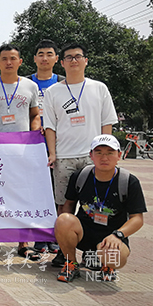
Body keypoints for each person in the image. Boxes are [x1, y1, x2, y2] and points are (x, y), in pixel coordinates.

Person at [43, 43, 118, 267]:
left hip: (91, 157)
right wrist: (53, 153)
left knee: (94, 206)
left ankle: (92, 250)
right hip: (64, 156)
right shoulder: (53, 92)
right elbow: (50, 126)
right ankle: (64, 251)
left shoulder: (99, 88)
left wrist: (105, 153)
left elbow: (107, 123)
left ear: (86, 60)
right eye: (69, 57)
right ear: (62, 62)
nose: (74, 60)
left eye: (78, 56)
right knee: (63, 205)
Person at [0, 44, 41, 260]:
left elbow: (35, 115)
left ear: (20, 61)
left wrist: (33, 138)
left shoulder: (30, 86)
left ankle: (24, 243)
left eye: (13, 58)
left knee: (22, 196)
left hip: (22, 152)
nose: (8, 62)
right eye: (4, 58)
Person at [54, 134, 147, 283]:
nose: (104, 158)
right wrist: (63, 234)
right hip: (84, 233)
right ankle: (71, 263)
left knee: (117, 258)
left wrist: (118, 235)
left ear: (119, 155)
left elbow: (137, 219)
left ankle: (108, 266)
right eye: (99, 153)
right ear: (91, 155)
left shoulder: (128, 181)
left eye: (110, 153)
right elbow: (69, 205)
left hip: (111, 237)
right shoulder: (81, 176)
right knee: (63, 220)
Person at [29, 39, 65, 254]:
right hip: (32, 148)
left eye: (49, 54)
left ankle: (56, 236)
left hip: (59, 147)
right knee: (35, 194)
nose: (44, 58)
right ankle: (39, 239)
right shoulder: (26, 83)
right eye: (40, 54)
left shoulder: (63, 83)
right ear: (34, 58)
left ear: (56, 59)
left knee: (56, 195)